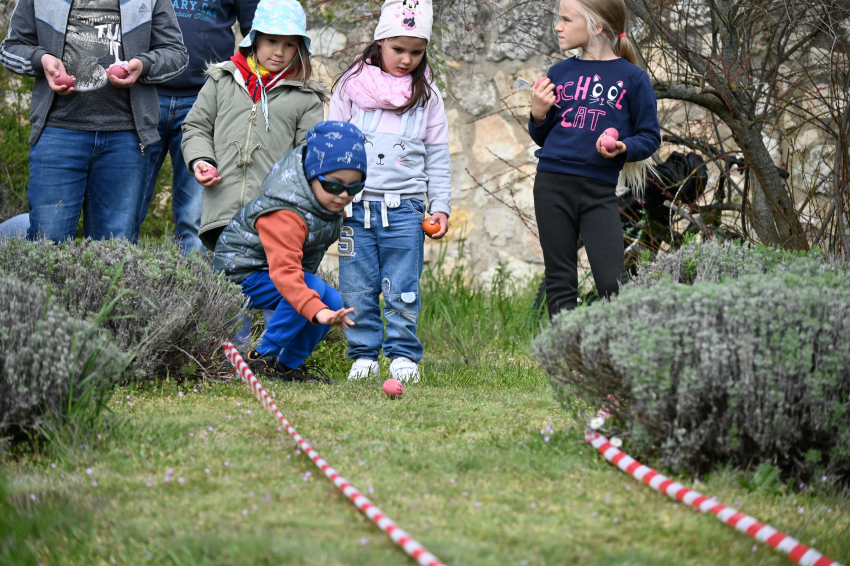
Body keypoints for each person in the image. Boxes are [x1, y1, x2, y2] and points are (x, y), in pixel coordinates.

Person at [328, 0, 451, 383]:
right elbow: (332, 146)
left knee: (402, 288)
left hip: (405, 210)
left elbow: (437, 156)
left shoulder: (428, 97)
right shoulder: (350, 86)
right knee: (357, 286)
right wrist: (331, 194)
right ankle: (363, 355)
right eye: (398, 49)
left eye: (417, 52)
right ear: (380, 41)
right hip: (355, 209)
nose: (407, 59)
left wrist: (441, 205)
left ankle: (402, 356)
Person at [0, 0, 188, 242]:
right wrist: (42, 59)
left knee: (115, 251)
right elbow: (10, 49)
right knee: (46, 242)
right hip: (57, 133)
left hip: (127, 138)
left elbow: (177, 54)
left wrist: (144, 66)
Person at [528, 0, 660, 320]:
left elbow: (650, 136)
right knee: (560, 279)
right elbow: (544, 136)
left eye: (566, 19)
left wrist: (623, 148)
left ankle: (618, 359)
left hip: (598, 191)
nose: (558, 26)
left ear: (596, 26)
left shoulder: (633, 78)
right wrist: (538, 113)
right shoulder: (559, 72)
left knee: (612, 283)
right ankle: (569, 363)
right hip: (551, 183)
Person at [212, 121, 367, 383]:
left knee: (332, 300)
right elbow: (286, 274)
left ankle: (286, 367)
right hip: (240, 274)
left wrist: (322, 308)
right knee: (312, 290)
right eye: (334, 185)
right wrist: (315, 310)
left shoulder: (322, 206)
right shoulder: (286, 213)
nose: (343, 195)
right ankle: (260, 358)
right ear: (310, 175)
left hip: (270, 272)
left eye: (354, 188)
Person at [181, 0, 326, 252]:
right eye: (271, 41)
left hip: (273, 217)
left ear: (299, 48)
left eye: (289, 44)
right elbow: (196, 127)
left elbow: (309, 156)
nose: (279, 52)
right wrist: (201, 160)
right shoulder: (221, 80)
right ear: (255, 39)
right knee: (217, 283)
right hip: (221, 213)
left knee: (263, 284)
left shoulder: (306, 98)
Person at [134, 0, 260, 254]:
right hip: (143, 95)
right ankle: (114, 285)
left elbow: (257, 31)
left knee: (195, 218)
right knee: (127, 209)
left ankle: (192, 290)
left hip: (206, 101)